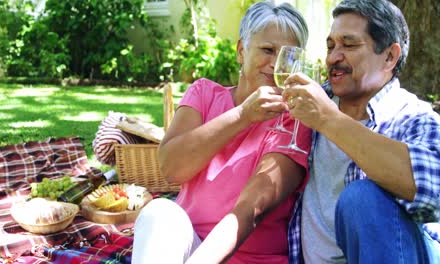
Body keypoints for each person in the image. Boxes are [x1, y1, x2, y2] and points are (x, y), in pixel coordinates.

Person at [132, 2, 312, 263]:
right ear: (241, 51)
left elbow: (253, 209)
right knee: (158, 213)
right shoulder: (204, 94)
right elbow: (171, 168)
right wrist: (242, 116)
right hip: (185, 244)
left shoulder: (294, 120)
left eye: (288, 55)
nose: (276, 64)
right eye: (268, 50)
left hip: (249, 258)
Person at [283, 0, 440, 263]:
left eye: (350, 45)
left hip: (405, 254)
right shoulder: (309, 103)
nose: (333, 57)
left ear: (389, 56)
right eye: (331, 46)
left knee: (361, 199)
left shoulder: (414, 116)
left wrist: (328, 120)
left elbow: (429, 191)